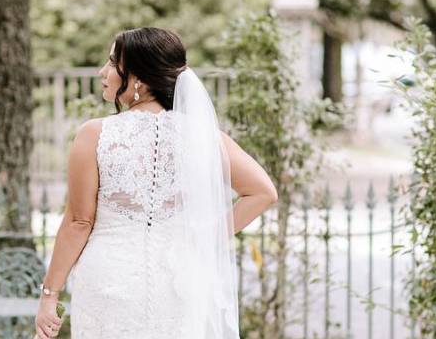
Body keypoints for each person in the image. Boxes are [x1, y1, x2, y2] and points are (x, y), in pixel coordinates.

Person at [34, 27, 279, 338]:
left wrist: (49, 295)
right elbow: (263, 192)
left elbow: (79, 222)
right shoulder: (202, 136)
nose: (103, 71)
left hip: (109, 283)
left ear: (138, 79)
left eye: (112, 63)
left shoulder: (94, 135)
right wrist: (202, 236)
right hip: (176, 281)